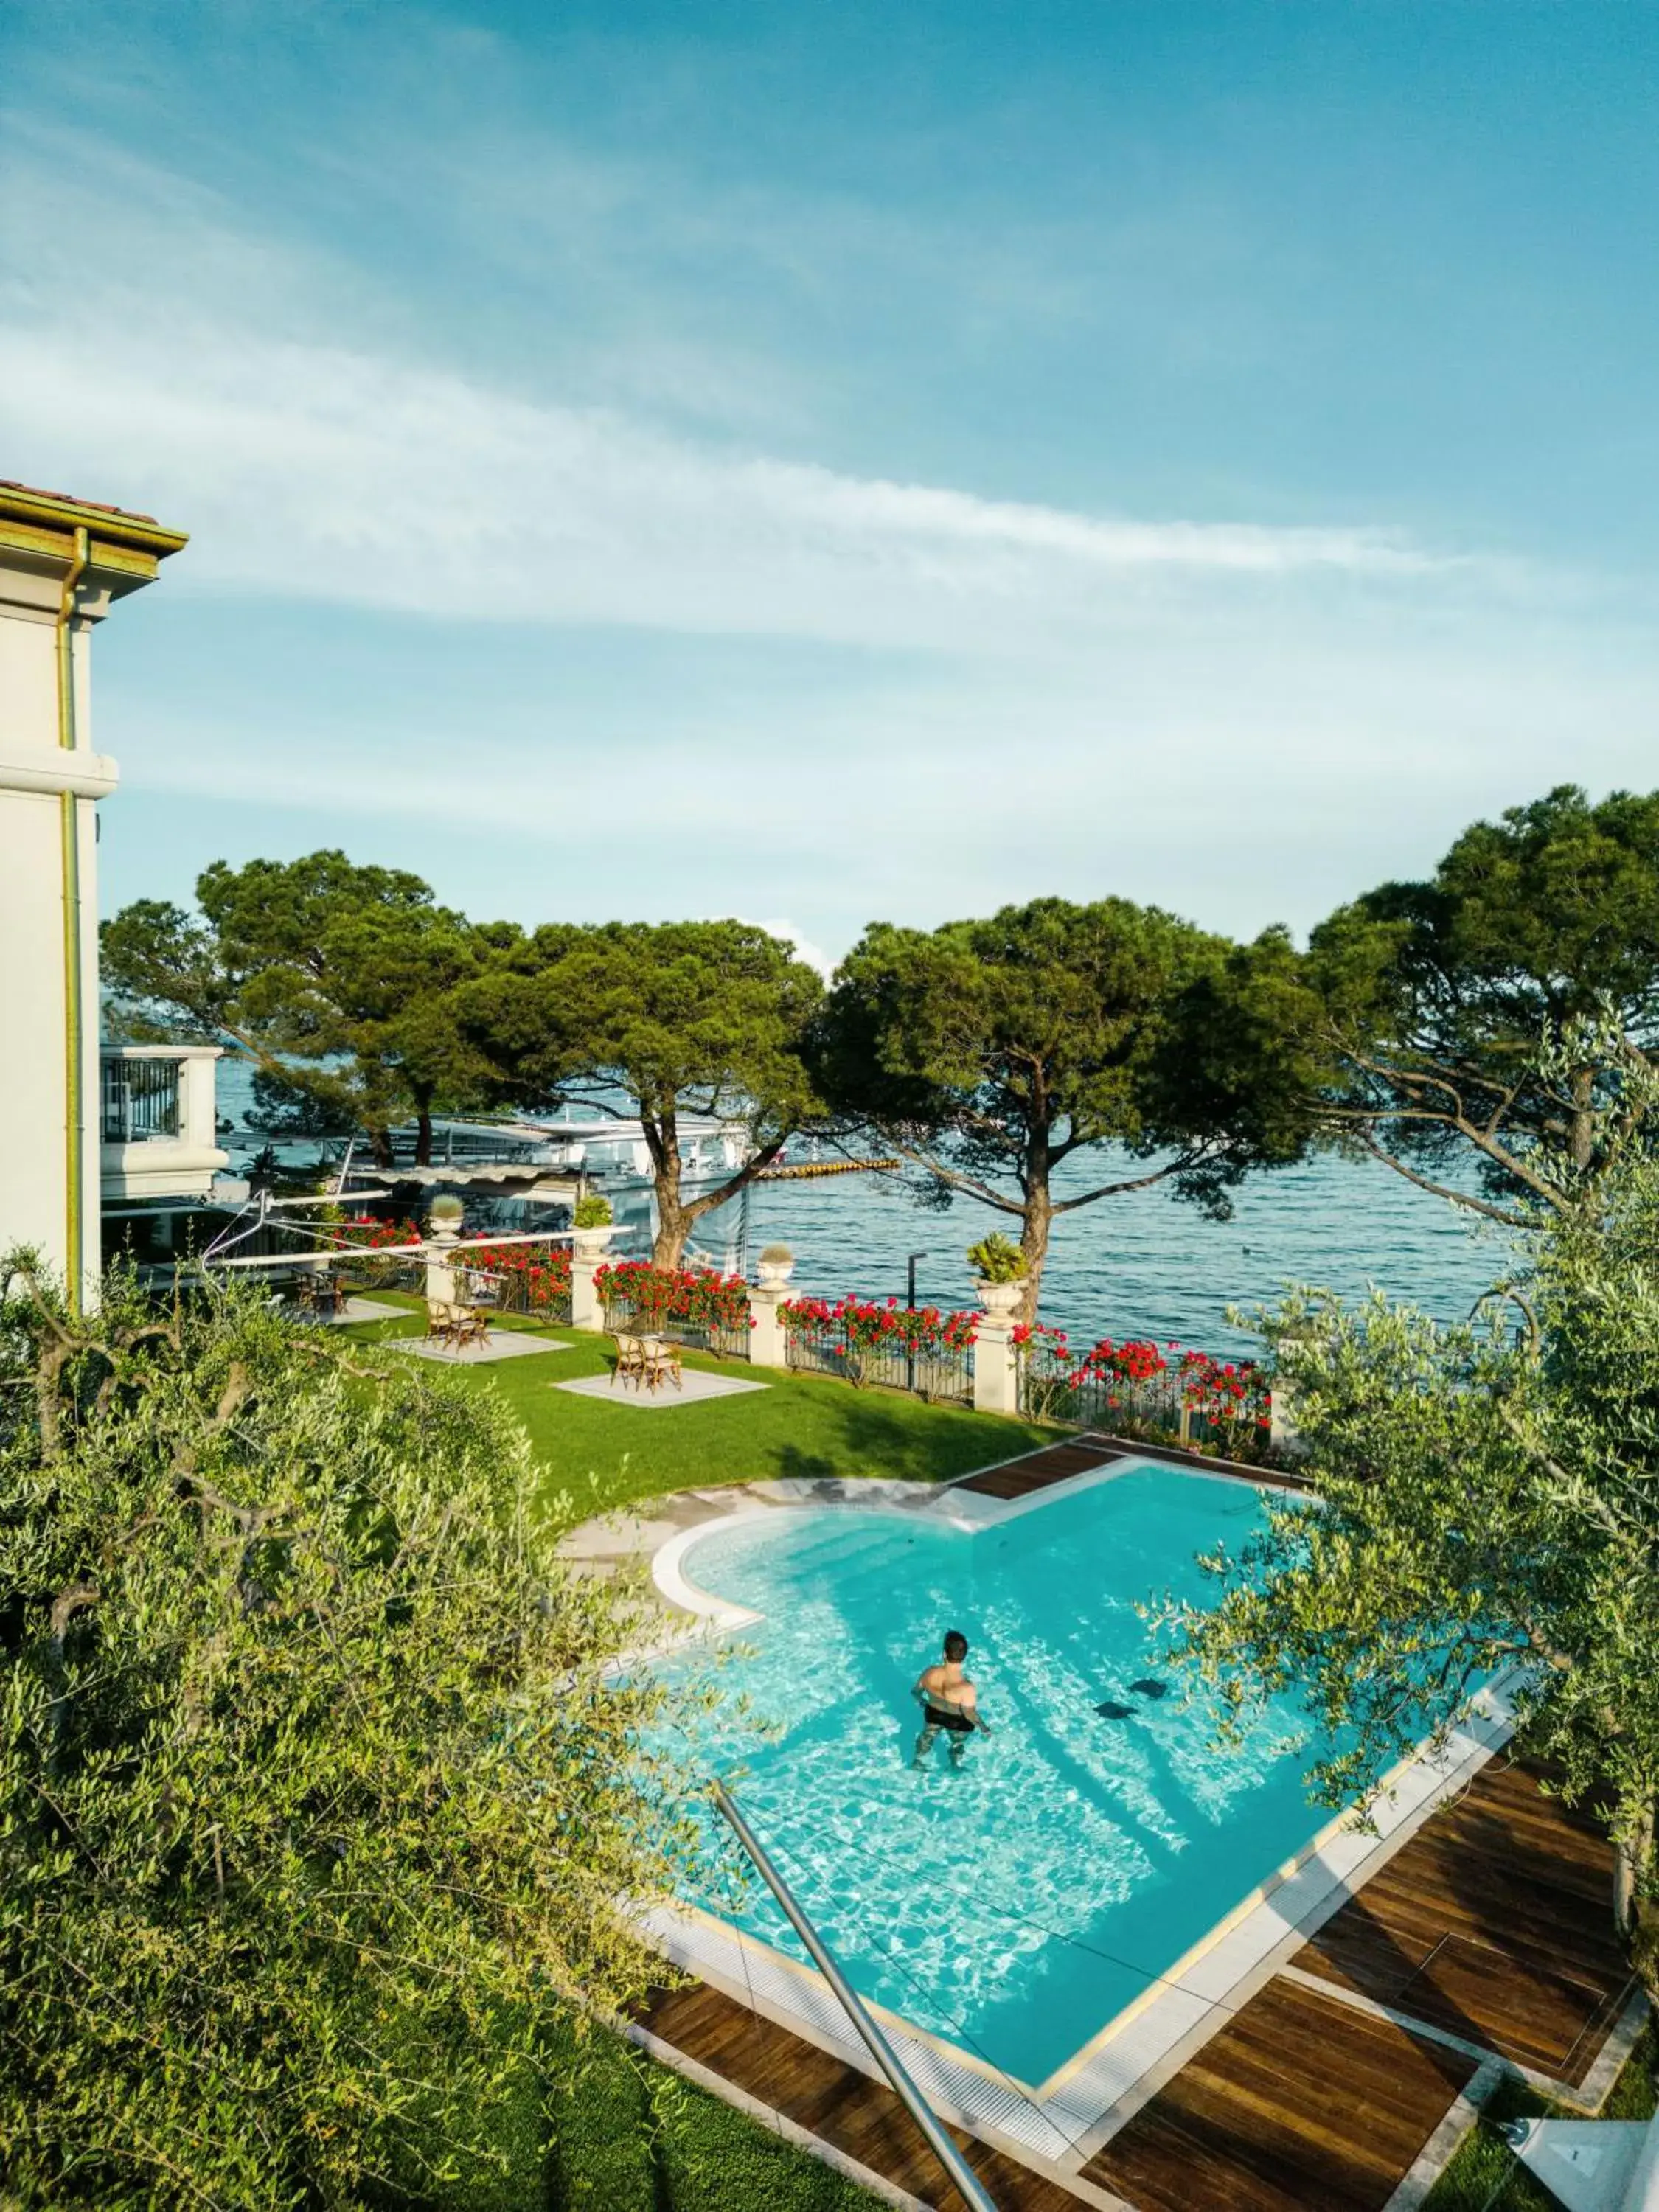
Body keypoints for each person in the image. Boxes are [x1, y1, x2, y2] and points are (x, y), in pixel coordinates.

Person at [911, 1629, 989, 1770]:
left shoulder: (930, 1672)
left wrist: (923, 1702)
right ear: (964, 1656)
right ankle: (955, 1765)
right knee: (957, 1742)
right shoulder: (966, 1687)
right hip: (957, 1722)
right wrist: (983, 1727)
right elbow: (969, 1714)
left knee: (927, 1736)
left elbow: (915, 1692)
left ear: (944, 1654)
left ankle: (918, 1761)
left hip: (933, 1713)